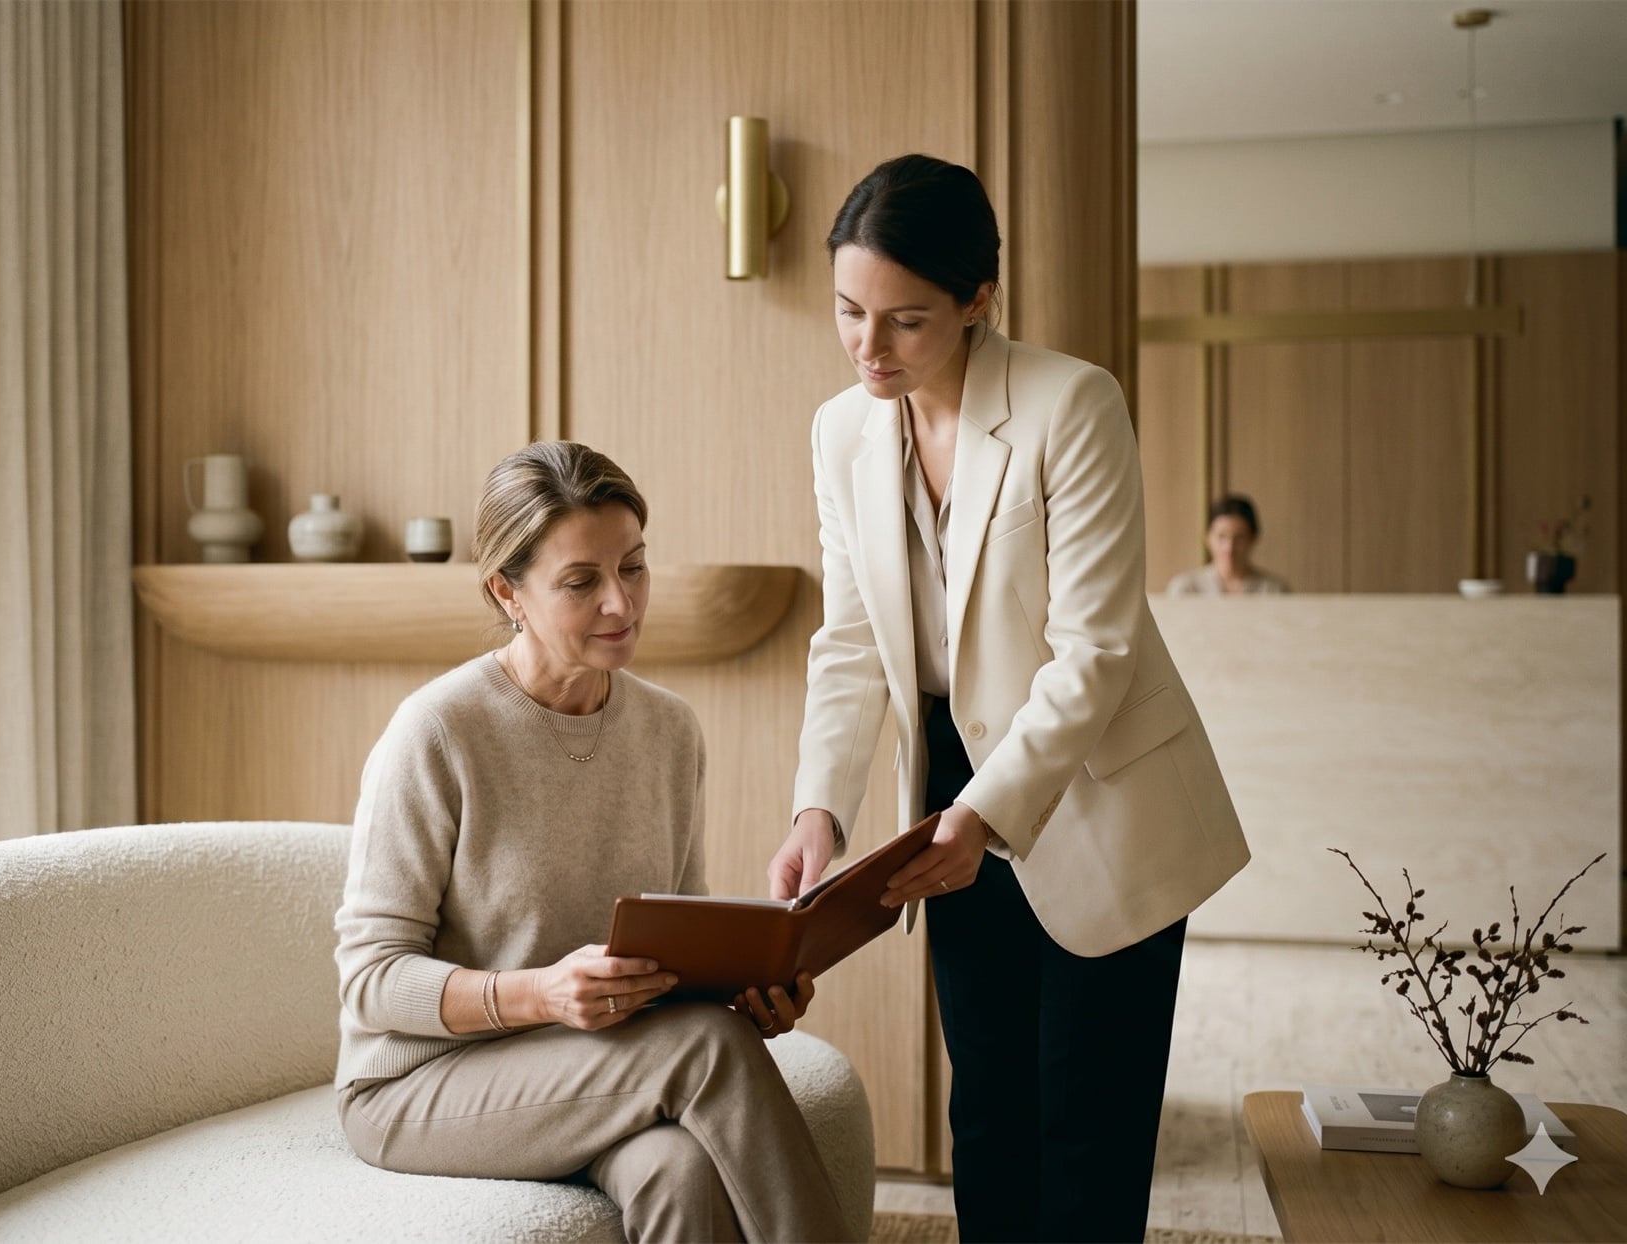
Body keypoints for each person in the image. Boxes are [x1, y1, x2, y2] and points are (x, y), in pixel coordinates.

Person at [766, 154, 1250, 1243]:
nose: (869, 346)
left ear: (978, 298)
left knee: (1088, 1124)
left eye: (906, 320)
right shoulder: (840, 432)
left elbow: (1096, 652)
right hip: (947, 783)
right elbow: (851, 638)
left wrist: (985, 814)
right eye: (848, 311)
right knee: (985, 1106)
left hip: (1093, 782)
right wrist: (819, 809)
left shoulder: (1070, 404)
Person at [335, 441, 849, 1244]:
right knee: (708, 1049)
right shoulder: (438, 731)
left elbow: (678, 945)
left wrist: (746, 991)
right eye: (581, 582)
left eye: (634, 567)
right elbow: (371, 979)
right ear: (508, 591)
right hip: (421, 1085)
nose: (621, 602)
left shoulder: (669, 730)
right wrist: (541, 994)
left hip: (592, 1062)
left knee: (679, 1171)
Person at [1166, 494, 1292, 595]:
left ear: (1253, 538)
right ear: (1207, 537)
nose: (1229, 547)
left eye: (1239, 538)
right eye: (1221, 537)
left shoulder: (1274, 589)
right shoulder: (1185, 589)